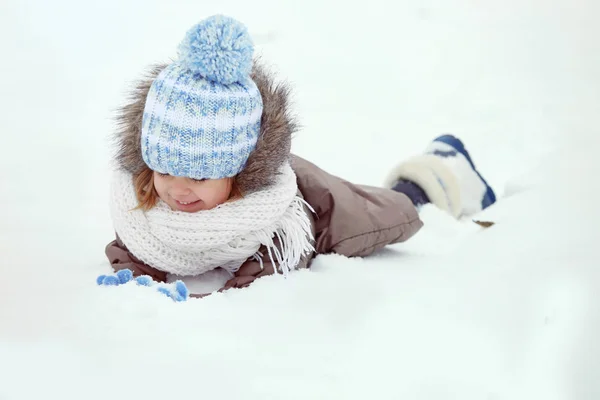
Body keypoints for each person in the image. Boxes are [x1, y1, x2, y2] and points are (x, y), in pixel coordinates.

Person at [99, 15, 496, 301]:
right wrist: (139, 283)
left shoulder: (273, 214)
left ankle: (442, 168)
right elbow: (132, 245)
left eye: (201, 177)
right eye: (166, 170)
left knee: (394, 208)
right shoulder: (144, 195)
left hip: (326, 208)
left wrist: (223, 301)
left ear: (237, 175)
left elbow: (272, 264)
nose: (179, 189)